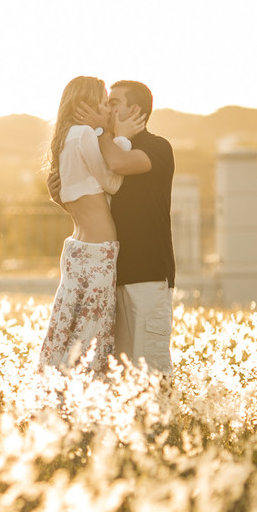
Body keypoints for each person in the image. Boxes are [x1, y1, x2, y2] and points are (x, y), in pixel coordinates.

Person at [38, 76, 141, 375]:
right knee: (92, 333)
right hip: (98, 252)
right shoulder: (85, 134)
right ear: (87, 103)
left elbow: (73, 196)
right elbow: (112, 182)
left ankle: (56, 393)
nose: (107, 108)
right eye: (103, 100)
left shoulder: (64, 138)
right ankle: (82, 401)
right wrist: (120, 140)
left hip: (76, 249)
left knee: (65, 328)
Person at [76, 80, 175, 373]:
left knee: (153, 370)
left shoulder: (157, 147)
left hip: (148, 275)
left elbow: (119, 163)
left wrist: (102, 132)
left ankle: (165, 420)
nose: (106, 109)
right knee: (120, 374)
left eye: (114, 103)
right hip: (111, 275)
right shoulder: (104, 148)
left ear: (134, 110)